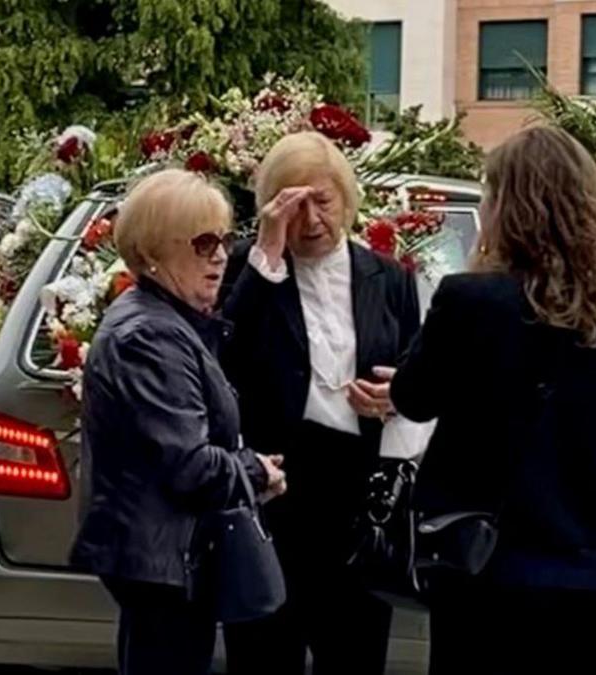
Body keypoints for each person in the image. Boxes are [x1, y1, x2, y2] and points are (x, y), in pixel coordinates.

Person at [387, 125, 596, 675]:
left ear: (508, 207)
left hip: (484, 570)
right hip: (587, 576)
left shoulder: (469, 300)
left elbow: (412, 398)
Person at [71, 169, 287, 675]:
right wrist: (256, 472)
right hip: (159, 562)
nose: (218, 255)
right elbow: (189, 464)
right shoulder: (150, 335)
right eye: (203, 242)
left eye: (225, 240)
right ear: (151, 252)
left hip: (164, 556)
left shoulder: (168, 320)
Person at [220, 131, 420, 675]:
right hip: (274, 487)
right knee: (264, 654)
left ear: (347, 201)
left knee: (355, 652)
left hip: (358, 493)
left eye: (323, 202)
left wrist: (395, 395)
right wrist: (267, 254)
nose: (310, 221)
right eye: (294, 206)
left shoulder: (389, 277)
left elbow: (417, 372)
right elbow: (221, 356)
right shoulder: (248, 268)